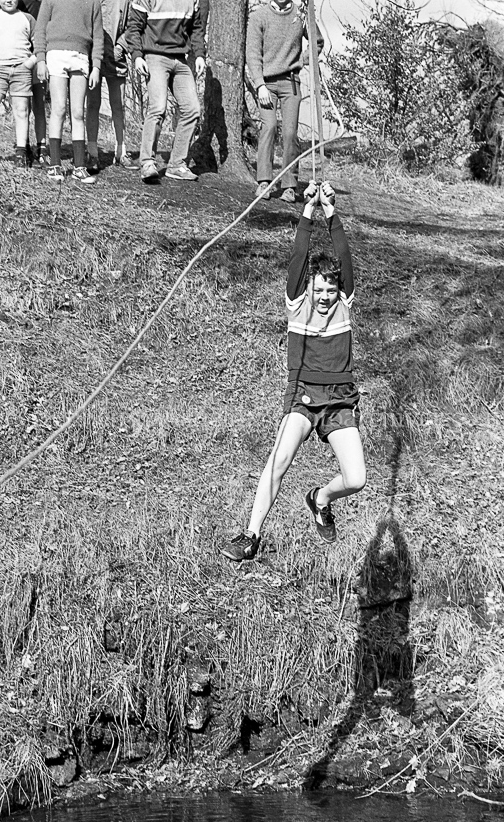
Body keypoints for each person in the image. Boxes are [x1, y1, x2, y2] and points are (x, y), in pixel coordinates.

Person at [220, 181, 366, 562]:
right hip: (302, 395)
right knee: (279, 460)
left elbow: (344, 257)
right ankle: (250, 534)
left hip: (339, 400)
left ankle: (319, 499)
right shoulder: (297, 306)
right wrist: (306, 212)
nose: (324, 296)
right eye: (318, 289)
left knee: (356, 478)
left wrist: (330, 211)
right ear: (309, 288)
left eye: (330, 290)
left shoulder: (344, 306)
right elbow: (299, 257)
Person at [246, 0, 323, 204]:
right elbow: (252, 54)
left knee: (290, 132)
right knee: (269, 127)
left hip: (291, 82)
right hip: (266, 85)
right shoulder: (259, 16)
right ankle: (264, 181)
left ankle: (289, 186)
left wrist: (303, 60)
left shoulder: (302, 15)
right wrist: (260, 84)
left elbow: (317, 42)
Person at [125, 0, 206, 183]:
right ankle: (147, 163)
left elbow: (197, 28)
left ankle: (176, 164)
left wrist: (200, 54)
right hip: (155, 56)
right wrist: (137, 56)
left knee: (192, 109)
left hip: (180, 59)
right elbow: (134, 27)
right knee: (158, 107)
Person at [34, 0, 104, 184]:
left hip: (80, 58)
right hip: (56, 55)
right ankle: (55, 164)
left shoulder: (93, 3)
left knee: (78, 113)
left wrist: (96, 66)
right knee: (58, 109)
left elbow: (98, 37)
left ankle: (79, 167)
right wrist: (40, 59)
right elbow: (40, 29)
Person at [86, 0, 139, 172]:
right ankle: (92, 152)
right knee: (93, 104)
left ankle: (121, 151)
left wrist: (121, 46)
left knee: (119, 105)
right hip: (92, 56)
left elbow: (132, 24)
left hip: (115, 57)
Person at [0, 0, 37, 167]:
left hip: (21, 69)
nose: (8, 0)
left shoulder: (27, 18)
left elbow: (40, 43)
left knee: (21, 110)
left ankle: (21, 152)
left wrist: (30, 62)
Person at [18, 0, 48, 166]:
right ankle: (25, 146)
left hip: (38, 57)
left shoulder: (40, 3)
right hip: (18, 60)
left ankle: (42, 147)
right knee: (22, 106)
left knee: (39, 104)